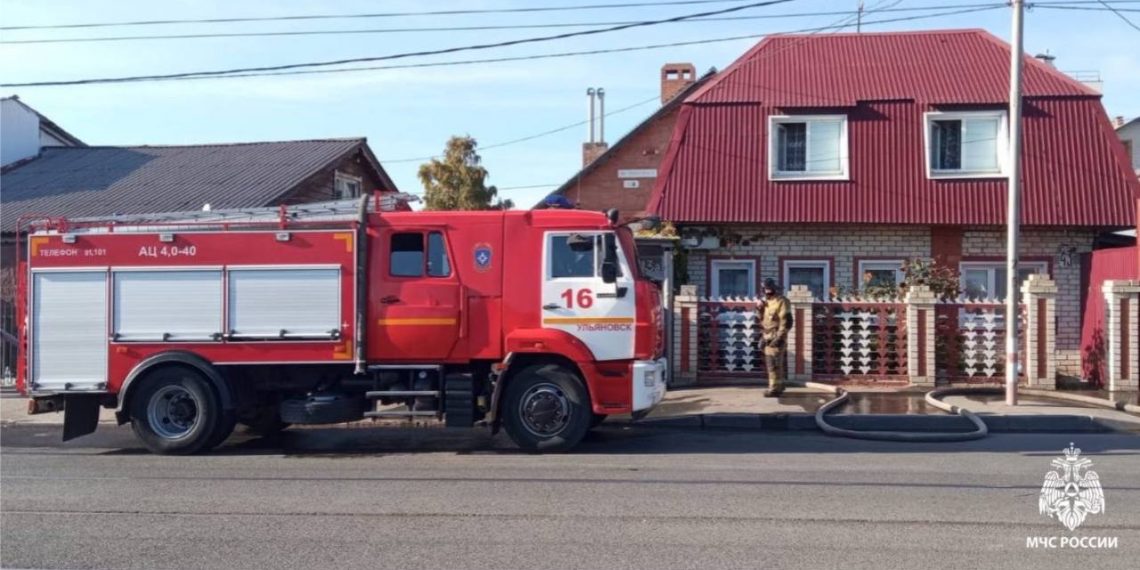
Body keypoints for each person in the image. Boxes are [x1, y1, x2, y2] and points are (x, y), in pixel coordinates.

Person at [759, 278, 792, 397]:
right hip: (767, 336)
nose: (767, 292)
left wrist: (780, 337)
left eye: (769, 289)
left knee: (773, 364)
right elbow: (763, 321)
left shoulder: (782, 301)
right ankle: (779, 386)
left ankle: (773, 389)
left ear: (774, 289)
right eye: (765, 289)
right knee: (775, 364)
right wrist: (760, 309)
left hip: (776, 337)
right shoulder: (767, 303)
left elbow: (787, 321)